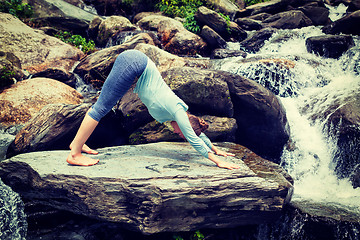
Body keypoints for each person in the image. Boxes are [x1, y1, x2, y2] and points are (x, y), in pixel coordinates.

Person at [67, 49, 240, 170]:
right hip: (135, 63)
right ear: (185, 123)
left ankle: (79, 144)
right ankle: (75, 153)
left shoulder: (178, 117)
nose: (180, 135)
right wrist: (217, 161)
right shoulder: (178, 112)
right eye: (182, 133)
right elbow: (193, 138)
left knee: (102, 106)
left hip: (136, 63)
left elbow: (196, 134)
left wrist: (216, 149)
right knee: (101, 108)